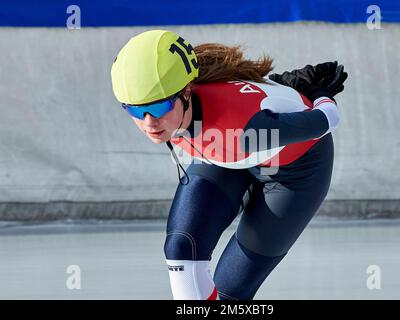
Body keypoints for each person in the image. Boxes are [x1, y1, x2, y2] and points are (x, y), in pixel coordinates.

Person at [111, 29, 347, 300]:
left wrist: (316, 93)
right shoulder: (181, 108)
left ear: (187, 91)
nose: (149, 123)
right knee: (181, 248)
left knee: (229, 294)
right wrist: (281, 84)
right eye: (136, 110)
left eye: (160, 107)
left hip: (295, 173)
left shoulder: (246, 131)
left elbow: (328, 120)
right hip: (226, 154)